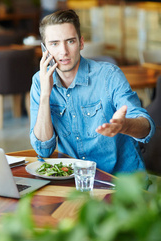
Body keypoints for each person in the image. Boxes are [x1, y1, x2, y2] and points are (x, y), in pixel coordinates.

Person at [30, 9, 155, 174]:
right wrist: (45, 95)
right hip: (75, 182)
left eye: (70, 41)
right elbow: (43, 150)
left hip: (122, 183)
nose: (63, 51)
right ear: (44, 48)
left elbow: (146, 128)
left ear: (81, 43)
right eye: (54, 43)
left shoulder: (109, 75)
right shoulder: (40, 81)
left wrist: (124, 125)